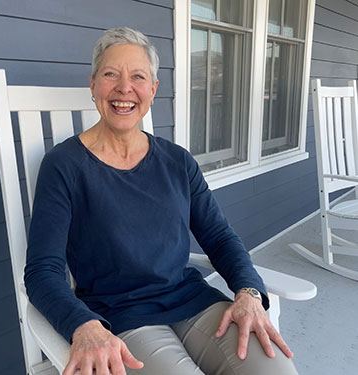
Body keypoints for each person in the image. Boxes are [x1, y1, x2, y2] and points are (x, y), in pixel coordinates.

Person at [24, 27, 297, 375]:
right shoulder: (64, 166)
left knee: (275, 369)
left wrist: (249, 291)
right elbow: (42, 272)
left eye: (138, 76)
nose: (124, 88)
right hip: (119, 318)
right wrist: (83, 325)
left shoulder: (177, 162)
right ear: (93, 85)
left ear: (152, 90)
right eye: (111, 75)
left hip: (193, 302)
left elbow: (219, 237)